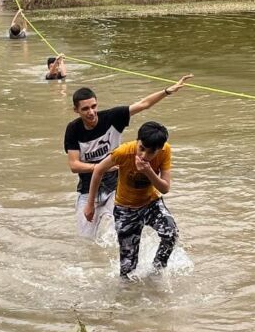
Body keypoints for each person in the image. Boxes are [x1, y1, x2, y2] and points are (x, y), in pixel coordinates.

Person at [64, 76, 192, 241]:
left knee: (115, 236)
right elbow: (74, 165)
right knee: (85, 240)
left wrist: (167, 91)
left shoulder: (112, 117)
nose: (91, 112)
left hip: (115, 188)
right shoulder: (73, 129)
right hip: (87, 189)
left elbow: (144, 104)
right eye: (85, 109)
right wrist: (101, 167)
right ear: (76, 110)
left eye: (94, 106)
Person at [84, 121, 177, 277]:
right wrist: (90, 204)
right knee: (128, 269)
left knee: (171, 234)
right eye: (141, 148)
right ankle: (128, 291)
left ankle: (156, 272)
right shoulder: (123, 152)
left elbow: (165, 188)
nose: (144, 155)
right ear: (137, 141)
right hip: (125, 209)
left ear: (160, 149)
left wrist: (148, 171)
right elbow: (98, 170)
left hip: (151, 203)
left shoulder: (165, 150)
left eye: (151, 152)